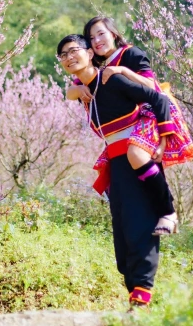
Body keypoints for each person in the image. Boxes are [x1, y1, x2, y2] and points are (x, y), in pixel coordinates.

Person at [57, 34, 173, 307]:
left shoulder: (113, 80)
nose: (69, 57)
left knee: (140, 222)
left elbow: (159, 99)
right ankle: (135, 294)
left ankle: (142, 290)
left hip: (138, 157)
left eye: (74, 51)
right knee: (121, 231)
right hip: (116, 164)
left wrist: (164, 138)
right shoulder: (86, 91)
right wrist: (72, 90)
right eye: (63, 55)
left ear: (88, 52)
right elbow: (71, 91)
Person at [66, 16, 193, 235]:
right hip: (130, 123)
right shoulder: (97, 66)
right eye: (92, 38)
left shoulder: (130, 54)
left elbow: (152, 87)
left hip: (152, 112)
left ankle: (168, 212)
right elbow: (71, 91)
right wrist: (78, 91)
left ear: (113, 34)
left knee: (136, 154)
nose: (97, 41)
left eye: (101, 34)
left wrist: (122, 71)